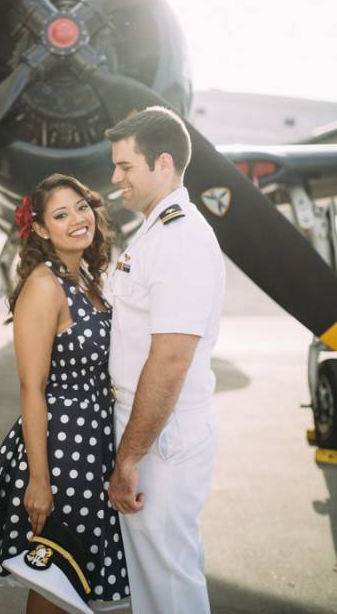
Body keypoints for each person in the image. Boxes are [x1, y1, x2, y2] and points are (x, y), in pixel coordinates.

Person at [0, 173, 130, 613]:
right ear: (42, 230)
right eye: (61, 215)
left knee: (76, 578)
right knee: (55, 581)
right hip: (63, 452)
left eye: (82, 207)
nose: (78, 219)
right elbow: (32, 388)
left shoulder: (85, 278)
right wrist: (39, 481)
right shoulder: (45, 285)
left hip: (94, 447)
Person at [105, 106, 225, 614]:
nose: (115, 178)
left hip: (160, 434)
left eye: (125, 166)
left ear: (164, 163)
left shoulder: (178, 238)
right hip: (152, 426)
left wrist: (129, 456)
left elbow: (172, 359)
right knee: (158, 576)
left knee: (168, 583)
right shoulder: (156, 230)